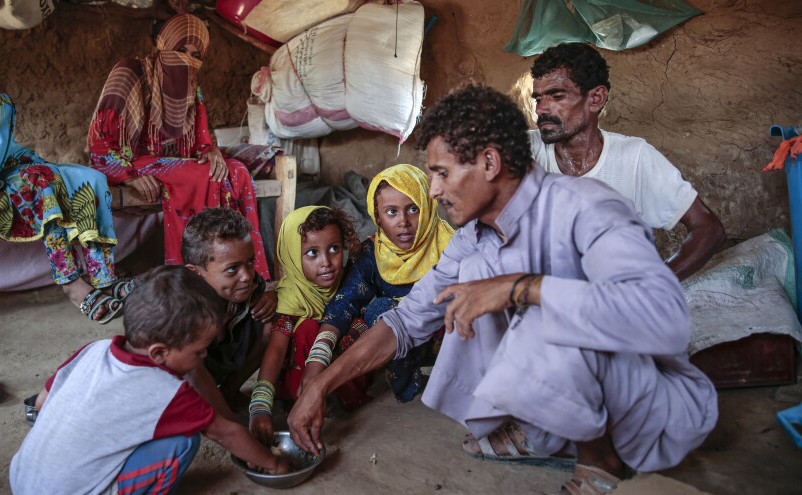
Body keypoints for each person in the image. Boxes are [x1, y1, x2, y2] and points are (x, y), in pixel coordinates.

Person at [288, 85, 718, 495]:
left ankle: (601, 465)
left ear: (490, 164)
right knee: (471, 282)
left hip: (651, 408)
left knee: (525, 298)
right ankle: (544, 429)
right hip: (588, 396)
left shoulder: (584, 207)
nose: (434, 191)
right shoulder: (473, 238)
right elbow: (406, 321)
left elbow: (664, 316)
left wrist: (519, 288)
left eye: (441, 173)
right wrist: (320, 386)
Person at [9, 265, 289, 494]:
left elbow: (43, 403)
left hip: (22, 478)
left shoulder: (94, 350)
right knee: (183, 442)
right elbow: (228, 433)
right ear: (159, 353)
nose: (203, 357)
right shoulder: (166, 391)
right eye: (199, 350)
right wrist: (273, 464)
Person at [0, 23, 128, 323]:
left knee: (84, 179)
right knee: (45, 181)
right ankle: (71, 281)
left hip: (5, 171)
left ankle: (103, 276)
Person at [87, 13, 269, 279]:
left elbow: (201, 141)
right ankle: (196, 274)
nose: (187, 59)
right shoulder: (130, 71)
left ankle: (250, 274)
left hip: (177, 163)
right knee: (200, 174)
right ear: (162, 46)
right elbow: (99, 142)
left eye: (196, 55)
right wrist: (129, 177)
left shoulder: (192, 88)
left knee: (238, 172)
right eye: (180, 49)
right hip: (130, 163)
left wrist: (211, 151)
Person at [529, 42, 725, 281]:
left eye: (557, 96)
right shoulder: (521, 150)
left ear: (596, 99)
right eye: (538, 99)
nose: (541, 109)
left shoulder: (634, 158)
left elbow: (708, 228)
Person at [302, 164, 454, 403]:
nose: (403, 222)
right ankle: (405, 381)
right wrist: (316, 366)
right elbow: (344, 303)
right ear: (377, 216)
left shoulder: (451, 246)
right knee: (374, 313)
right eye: (391, 212)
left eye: (413, 209)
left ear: (428, 206)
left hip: (447, 338)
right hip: (396, 340)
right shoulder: (373, 251)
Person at [249, 205, 362, 446]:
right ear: (292, 254)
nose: (327, 262)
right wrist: (260, 406)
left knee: (361, 325)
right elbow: (277, 350)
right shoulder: (292, 294)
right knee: (309, 328)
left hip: (339, 370)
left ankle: (341, 396)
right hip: (301, 378)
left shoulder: (352, 282)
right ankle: (300, 399)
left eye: (334, 248)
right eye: (312, 253)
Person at [182, 207, 277, 407]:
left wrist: (274, 296)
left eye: (250, 262)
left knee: (276, 324)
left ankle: (228, 392)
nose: (247, 276)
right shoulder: (181, 307)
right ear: (196, 273)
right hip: (184, 383)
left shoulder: (253, 286)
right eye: (232, 268)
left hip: (224, 362)